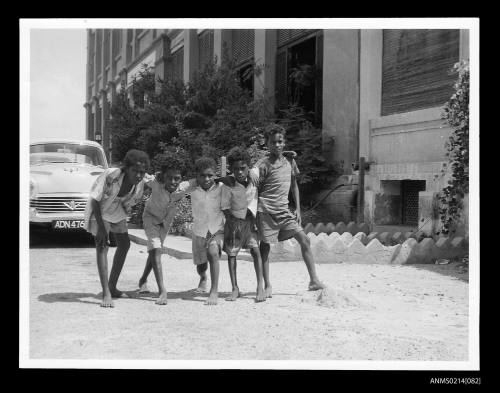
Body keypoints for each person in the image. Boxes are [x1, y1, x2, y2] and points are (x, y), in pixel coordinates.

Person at [255, 124, 326, 298]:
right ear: (268, 144)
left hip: (285, 211)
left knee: (305, 240)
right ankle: (267, 285)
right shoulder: (263, 164)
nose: (277, 145)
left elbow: (294, 185)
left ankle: (314, 280)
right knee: (264, 247)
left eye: (280, 141)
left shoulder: (290, 161)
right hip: (265, 210)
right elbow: (254, 187)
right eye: (273, 142)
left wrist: (299, 210)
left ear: (284, 142)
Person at [83, 149, 150, 308]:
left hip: (117, 211)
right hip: (100, 210)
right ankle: (106, 291)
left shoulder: (140, 182)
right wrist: (100, 227)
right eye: (135, 171)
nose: (139, 175)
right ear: (126, 168)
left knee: (125, 244)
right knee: (102, 245)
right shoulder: (111, 175)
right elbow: (95, 200)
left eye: (142, 172)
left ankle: (113, 286)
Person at [137, 161, 196, 305]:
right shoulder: (156, 183)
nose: (173, 182)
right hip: (150, 217)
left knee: (154, 251)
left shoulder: (184, 187)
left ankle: (143, 279)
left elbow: (202, 179)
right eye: (169, 178)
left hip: (165, 221)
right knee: (156, 249)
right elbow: (139, 173)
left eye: (177, 178)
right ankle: (162, 290)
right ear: (163, 176)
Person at [220, 147, 265, 302]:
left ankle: (260, 287)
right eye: (235, 169)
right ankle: (234, 288)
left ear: (248, 167)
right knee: (232, 254)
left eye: (243, 168)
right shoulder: (228, 184)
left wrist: (252, 170)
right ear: (231, 169)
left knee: (255, 251)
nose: (239, 172)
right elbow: (225, 206)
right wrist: (231, 222)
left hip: (251, 220)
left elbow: (265, 162)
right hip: (235, 221)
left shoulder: (255, 175)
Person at [189, 157, 225, 306]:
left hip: (216, 229)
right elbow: (173, 186)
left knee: (213, 253)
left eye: (210, 175)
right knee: (201, 264)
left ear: (215, 175)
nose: (207, 179)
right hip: (199, 231)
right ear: (196, 176)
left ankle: (214, 290)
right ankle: (203, 277)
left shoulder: (221, 187)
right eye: (202, 175)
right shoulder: (191, 188)